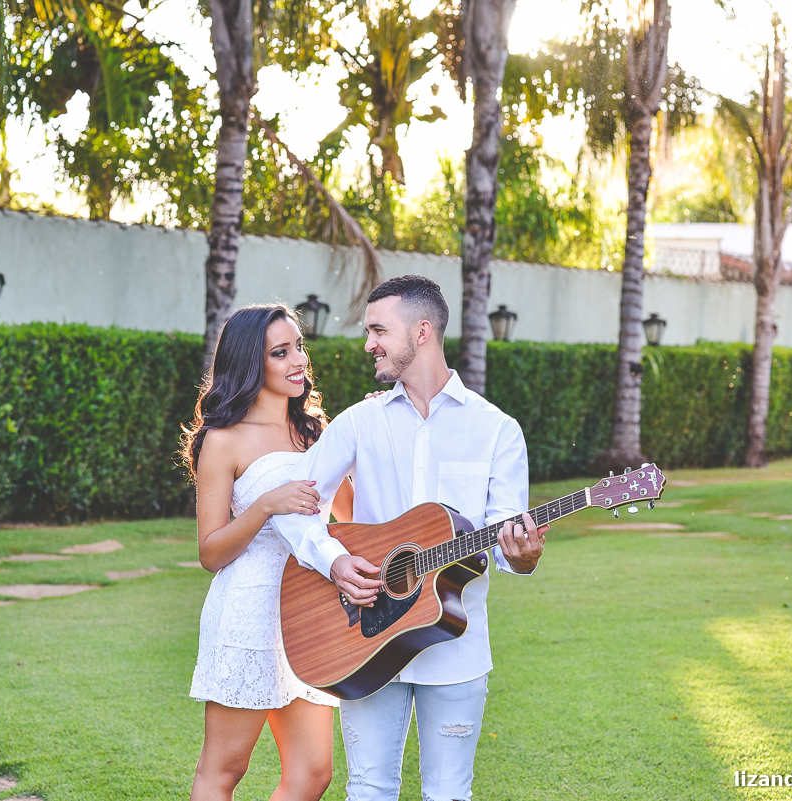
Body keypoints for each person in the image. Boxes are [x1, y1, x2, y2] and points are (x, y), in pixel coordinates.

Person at [271, 275, 545, 801]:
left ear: (422, 332)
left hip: (456, 645)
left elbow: (508, 546)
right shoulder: (360, 422)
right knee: (368, 789)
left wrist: (524, 555)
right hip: (363, 638)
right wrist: (333, 561)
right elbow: (291, 506)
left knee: (449, 793)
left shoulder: (497, 430)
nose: (368, 343)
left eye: (379, 330)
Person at [181, 305, 354, 801]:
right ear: (249, 362)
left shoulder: (317, 434)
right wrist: (263, 506)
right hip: (249, 612)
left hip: (311, 611)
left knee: (312, 774)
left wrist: (369, 439)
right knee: (224, 769)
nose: (298, 360)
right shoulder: (223, 440)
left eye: (299, 346)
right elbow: (210, 553)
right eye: (281, 352)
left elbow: (351, 517)